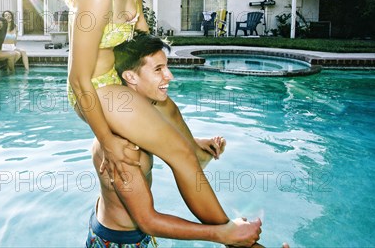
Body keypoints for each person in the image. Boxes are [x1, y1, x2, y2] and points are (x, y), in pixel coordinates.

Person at [57, 0, 261, 238]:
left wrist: (163, 101)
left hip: (115, 81)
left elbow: (139, 46)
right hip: (95, 89)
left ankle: (192, 153)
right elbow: (77, 79)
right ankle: (232, 237)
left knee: (169, 109)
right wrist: (107, 141)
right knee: (177, 156)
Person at [84, 32, 289, 247]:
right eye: (158, 69)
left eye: (166, 66)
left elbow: (173, 139)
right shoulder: (121, 147)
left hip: (132, 234)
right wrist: (223, 234)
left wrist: (194, 143)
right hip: (118, 242)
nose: (169, 76)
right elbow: (148, 221)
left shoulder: (151, 111)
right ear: (131, 77)